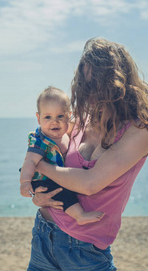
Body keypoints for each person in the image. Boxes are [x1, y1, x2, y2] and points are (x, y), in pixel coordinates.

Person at [27, 38, 148, 271]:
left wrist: (38, 166)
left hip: (85, 251)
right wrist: (37, 194)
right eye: (85, 84)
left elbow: (90, 184)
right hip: (44, 234)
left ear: (118, 83)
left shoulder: (138, 131)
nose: (89, 94)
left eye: (96, 84)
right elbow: (41, 143)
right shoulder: (81, 120)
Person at [20, 86, 104, 225]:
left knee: (63, 189)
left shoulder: (66, 134)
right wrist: (25, 182)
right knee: (62, 193)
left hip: (56, 176)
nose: (55, 121)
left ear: (69, 115)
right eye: (48, 117)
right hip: (43, 180)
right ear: (38, 118)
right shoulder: (41, 140)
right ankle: (80, 215)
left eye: (60, 116)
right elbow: (29, 160)